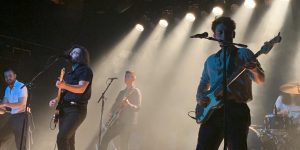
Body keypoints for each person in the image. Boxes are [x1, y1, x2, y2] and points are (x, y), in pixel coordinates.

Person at [195, 16, 265, 150]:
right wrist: (199, 98)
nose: (224, 36)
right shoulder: (210, 60)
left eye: (227, 32)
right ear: (214, 35)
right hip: (212, 114)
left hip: (236, 111)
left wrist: (255, 69)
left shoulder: (244, 53)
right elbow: (203, 83)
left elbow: (260, 79)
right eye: (220, 32)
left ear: (233, 34)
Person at [49, 45, 93, 150]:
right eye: (72, 52)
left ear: (82, 57)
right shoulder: (68, 74)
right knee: (69, 141)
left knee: (61, 138)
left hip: (76, 110)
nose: (73, 54)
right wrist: (56, 99)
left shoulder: (85, 70)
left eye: (76, 53)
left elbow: (81, 88)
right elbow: (65, 92)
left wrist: (64, 85)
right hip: (64, 109)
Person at [100, 71, 142, 150]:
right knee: (105, 138)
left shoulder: (136, 91)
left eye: (128, 76)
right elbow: (115, 104)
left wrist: (129, 104)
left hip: (128, 123)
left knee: (124, 144)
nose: (125, 78)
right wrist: (111, 112)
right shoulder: (121, 92)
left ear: (133, 78)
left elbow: (138, 108)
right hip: (118, 121)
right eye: (125, 77)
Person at [0, 68, 28, 150]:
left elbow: (21, 105)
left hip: (22, 117)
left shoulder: (21, 86)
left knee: (21, 144)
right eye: (6, 77)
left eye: (10, 75)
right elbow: (3, 110)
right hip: (13, 117)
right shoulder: (7, 89)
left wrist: (4, 104)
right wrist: (1, 106)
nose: (8, 78)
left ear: (15, 76)